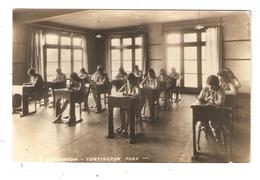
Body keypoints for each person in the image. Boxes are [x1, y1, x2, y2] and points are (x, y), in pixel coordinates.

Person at [196, 75, 225, 142]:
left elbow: (221, 102)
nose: (210, 87)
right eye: (209, 85)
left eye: (212, 85)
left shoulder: (221, 90)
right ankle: (208, 128)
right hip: (205, 111)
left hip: (216, 111)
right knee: (201, 119)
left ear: (216, 84)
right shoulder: (205, 89)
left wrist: (211, 102)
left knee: (212, 122)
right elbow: (199, 98)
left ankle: (215, 132)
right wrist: (199, 101)